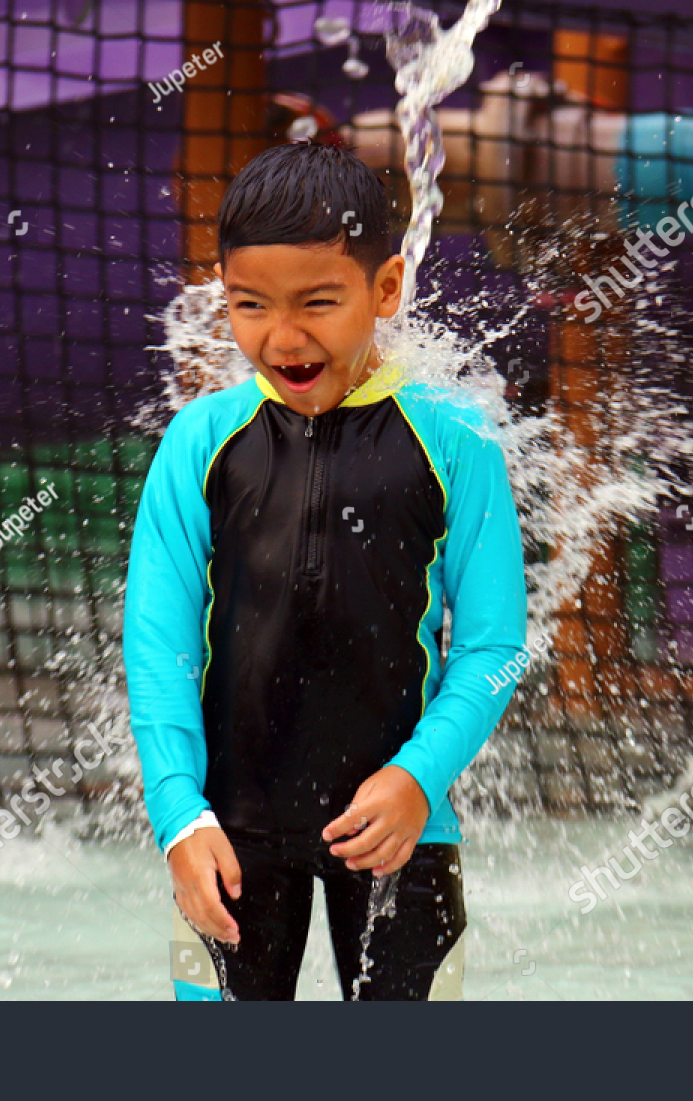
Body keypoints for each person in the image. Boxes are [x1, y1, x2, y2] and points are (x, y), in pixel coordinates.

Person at [123, 140, 527, 1001]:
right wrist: (178, 817)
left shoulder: (457, 440)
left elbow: (495, 645)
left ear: (385, 290)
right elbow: (157, 651)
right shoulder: (200, 443)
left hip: (402, 833)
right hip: (229, 835)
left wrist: (418, 777)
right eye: (249, 304)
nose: (283, 336)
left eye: (319, 302)